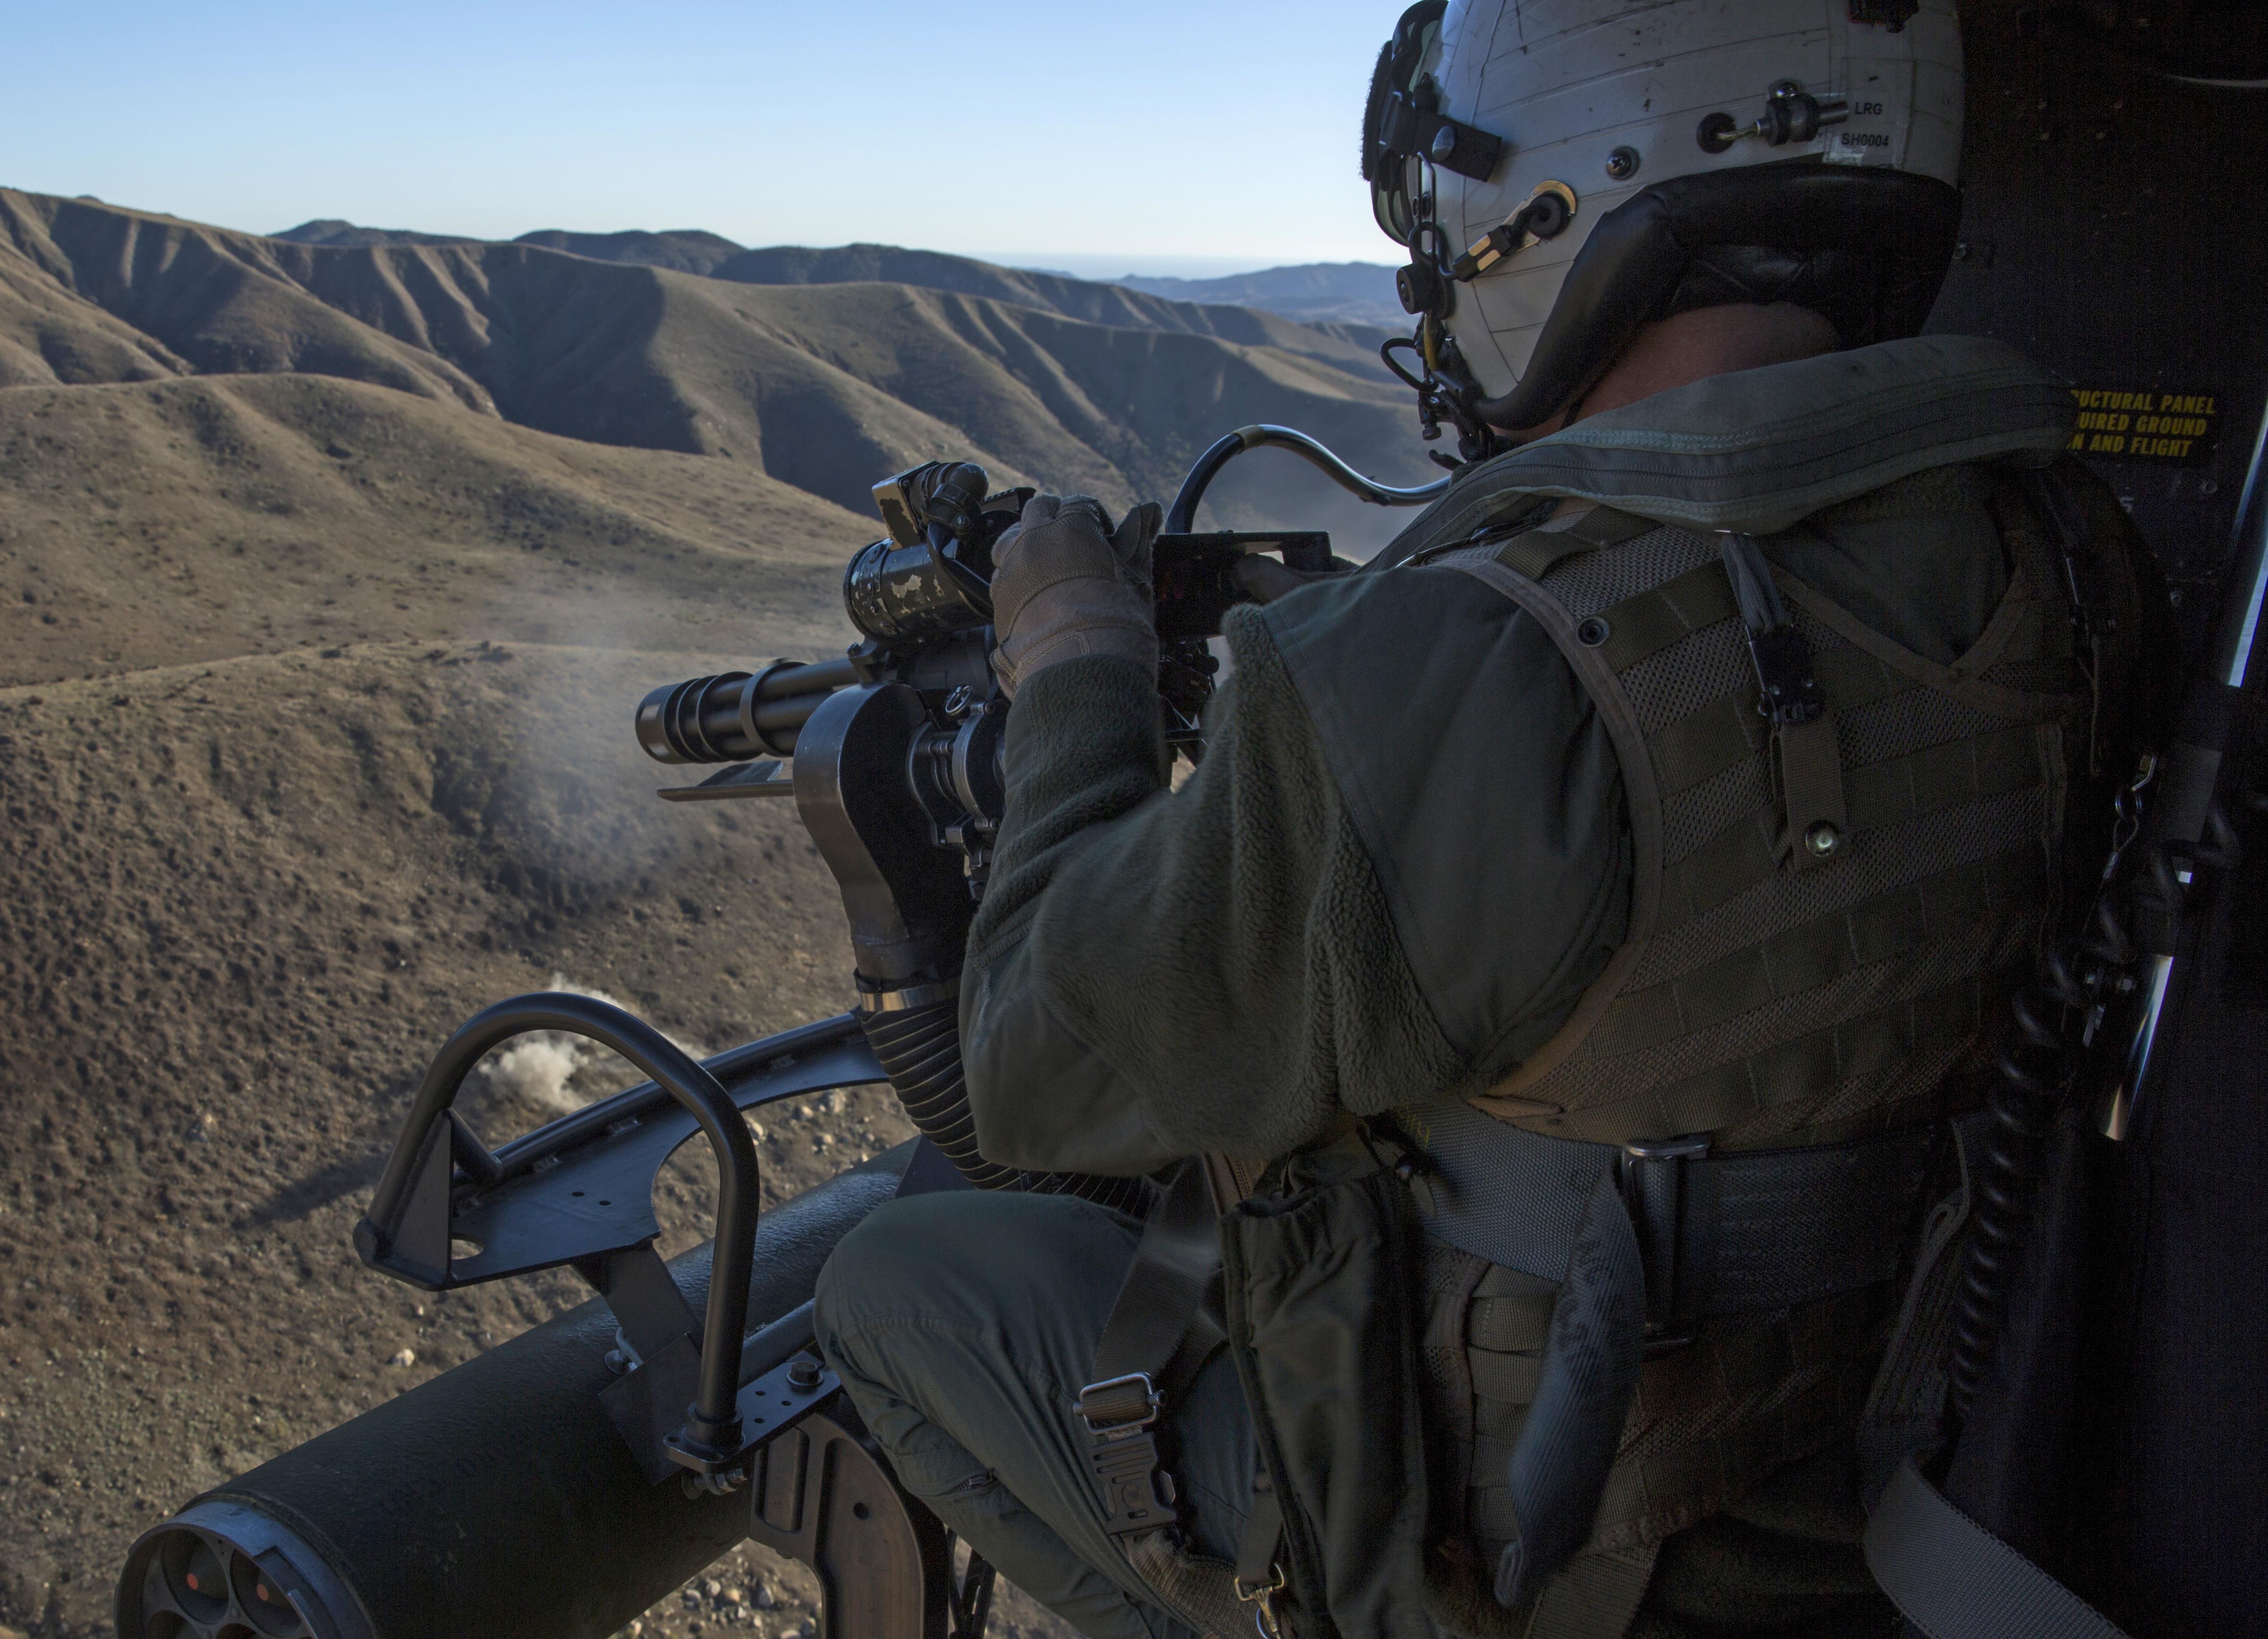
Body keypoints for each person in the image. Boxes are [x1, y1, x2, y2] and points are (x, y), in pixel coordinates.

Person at [811, 4, 2157, 1636]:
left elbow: (1032, 1058)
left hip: (1538, 1565)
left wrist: (1076, 666)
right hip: (1871, 1491)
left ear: (1574, 196)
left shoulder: (1489, 658)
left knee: (893, 1282)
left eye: (1451, 229)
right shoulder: (2073, 558)